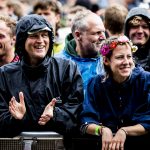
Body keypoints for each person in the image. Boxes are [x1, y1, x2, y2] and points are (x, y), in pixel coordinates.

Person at [0, 14, 83, 140]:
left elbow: (76, 112)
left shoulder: (67, 69)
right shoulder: (5, 74)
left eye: (44, 35)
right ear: (22, 40)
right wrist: (15, 119)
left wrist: (55, 115)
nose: (40, 40)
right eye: (34, 35)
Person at [80, 35, 150, 150]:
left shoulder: (145, 81)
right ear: (106, 60)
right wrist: (102, 130)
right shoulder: (96, 84)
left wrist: (124, 131)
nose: (126, 62)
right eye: (120, 57)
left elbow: (148, 121)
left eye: (129, 56)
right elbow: (85, 122)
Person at [55, 10, 106, 91]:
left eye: (103, 32)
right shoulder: (57, 64)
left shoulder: (109, 62)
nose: (103, 37)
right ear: (78, 35)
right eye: (97, 33)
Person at [124, 7, 150, 71]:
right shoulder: (117, 57)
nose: (140, 31)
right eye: (135, 26)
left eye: (145, 27)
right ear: (127, 31)